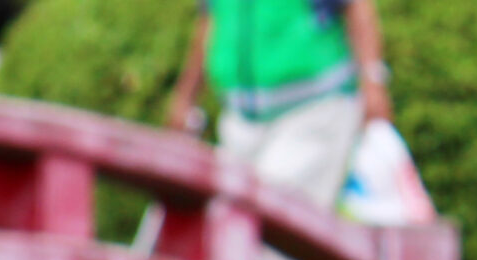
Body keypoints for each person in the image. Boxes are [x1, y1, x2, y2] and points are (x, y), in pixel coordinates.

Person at [166, 0, 392, 212]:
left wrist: (373, 80)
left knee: (275, 223)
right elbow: (212, 21)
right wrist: (186, 97)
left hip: (313, 112)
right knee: (231, 222)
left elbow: (356, 5)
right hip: (240, 122)